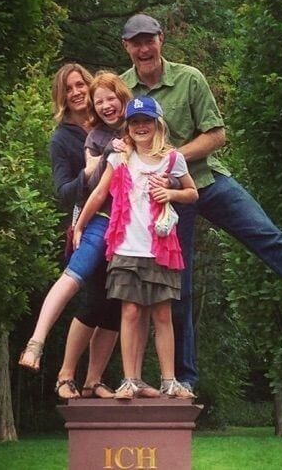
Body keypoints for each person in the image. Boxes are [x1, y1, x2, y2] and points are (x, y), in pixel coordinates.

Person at [118, 14, 282, 393]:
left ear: (161, 39)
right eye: (135, 42)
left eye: (149, 40)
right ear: (126, 47)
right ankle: (182, 379)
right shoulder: (123, 89)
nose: (143, 48)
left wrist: (171, 156)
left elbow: (216, 135)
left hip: (207, 179)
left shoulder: (189, 78)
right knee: (177, 286)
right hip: (164, 196)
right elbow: (114, 139)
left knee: (268, 235)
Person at [73, 95, 198, 400]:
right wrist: (79, 225)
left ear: (158, 125)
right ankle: (130, 379)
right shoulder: (120, 158)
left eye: (147, 121)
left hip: (161, 249)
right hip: (127, 249)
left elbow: (192, 193)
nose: (142, 127)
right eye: (135, 122)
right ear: (127, 128)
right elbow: (100, 192)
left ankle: (169, 379)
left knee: (163, 315)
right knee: (129, 312)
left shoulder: (173, 159)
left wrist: (170, 193)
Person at [18, 66, 130, 400]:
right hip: (93, 216)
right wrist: (87, 173)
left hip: (126, 222)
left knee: (113, 302)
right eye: (70, 88)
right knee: (90, 295)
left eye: (82, 84)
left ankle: (93, 380)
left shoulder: (113, 123)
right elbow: (64, 191)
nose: (77, 91)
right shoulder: (63, 138)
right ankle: (53, 362)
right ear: (62, 95)